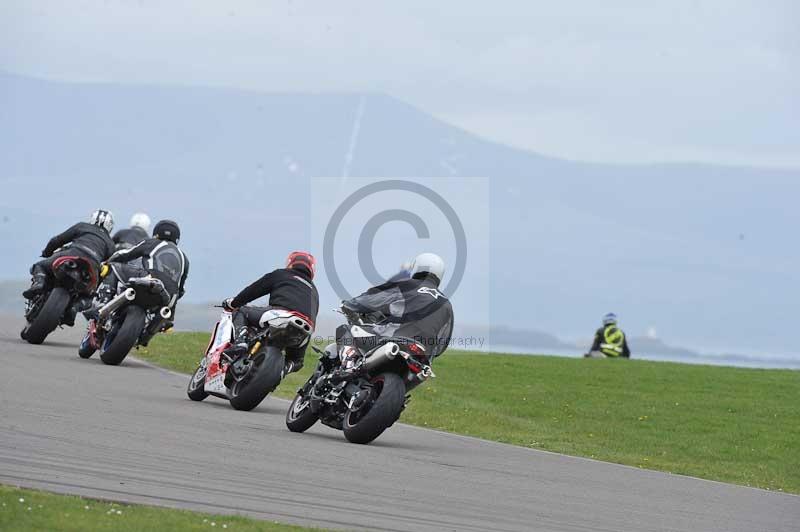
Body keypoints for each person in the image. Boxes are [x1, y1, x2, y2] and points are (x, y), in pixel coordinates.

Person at [337, 252, 454, 367]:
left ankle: (349, 364)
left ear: (416, 268)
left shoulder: (408, 285)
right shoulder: (447, 304)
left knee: (346, 330)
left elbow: (373, 298)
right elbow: (442, 344)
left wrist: (351, 304)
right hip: (422, 357)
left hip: (393, 339)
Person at [221, 251, 319, 375]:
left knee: (241, 311)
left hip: (280, 314)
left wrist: (233, 303)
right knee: (297, 361)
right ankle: (282, 371)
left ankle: (241, 342)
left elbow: (253, 290)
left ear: (290, 263)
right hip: (306, 327)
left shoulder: (281, 274)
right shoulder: (314, 290)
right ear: (312, 270)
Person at [90, 219, 189, 339]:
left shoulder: (153, 243)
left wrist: (107, 262)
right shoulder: (184, 258)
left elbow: (125, 254)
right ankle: (148, 333)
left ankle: (103, 303)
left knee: (113, 267)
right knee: (167, 312)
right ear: (177, 238)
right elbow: (181, 289)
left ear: (156, 233)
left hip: (148, 279)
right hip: (167, 298)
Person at [23, 210, 116, 326]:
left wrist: (47, 252)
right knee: (90, 295)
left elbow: (57, 240)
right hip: (92, 266)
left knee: (40, 265)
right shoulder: (111, 244)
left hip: (72, 254)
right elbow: (109, 265)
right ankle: (75, 308)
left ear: (92, 219)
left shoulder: (82, 226)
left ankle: (39, 284)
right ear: (110, 226)